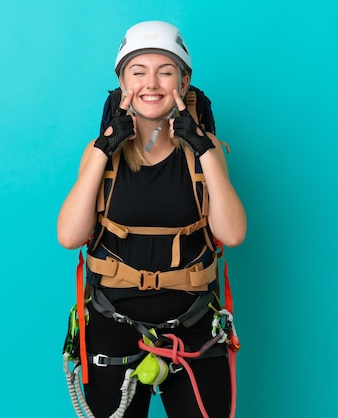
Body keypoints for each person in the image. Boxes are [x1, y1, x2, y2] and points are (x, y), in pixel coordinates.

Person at [58, 20, 247, 418]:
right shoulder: (99, 152)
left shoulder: (205, 151)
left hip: (194, 323)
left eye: (166, 71)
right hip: (114, 320)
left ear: (184, 80)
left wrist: (203, 148)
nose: (152, 83)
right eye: (138, 72)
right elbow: (70, 235)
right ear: (123, 82)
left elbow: (232, 233)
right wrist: (103, 149)